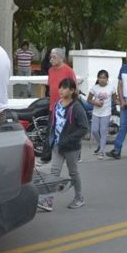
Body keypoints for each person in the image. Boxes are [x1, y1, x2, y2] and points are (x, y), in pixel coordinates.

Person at [37, 78, 89, 211]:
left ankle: (79, 197)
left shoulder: (76, 107)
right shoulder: (56, 105)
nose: (61, 90)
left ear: (72, 91)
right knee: (54, 173)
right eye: (60, 87)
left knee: (73, 173)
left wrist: (69, 139)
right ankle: (48, 200)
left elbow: (84, 128)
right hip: (57, 146)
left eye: (65, 88)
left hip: (71, 147)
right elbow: (52, 124)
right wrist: (49, 141)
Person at [87, 69, 116, 159]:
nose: (102, 79)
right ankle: (100, 144)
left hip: (106, 112)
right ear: (97, 78)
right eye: (100, 78)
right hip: (96, 112)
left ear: (107, 79)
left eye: (104, 78)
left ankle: (102, 151)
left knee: (103, 131)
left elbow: (115, 100)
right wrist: (95, 103)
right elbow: (89, 100)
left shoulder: (111, 88)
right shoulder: (94, 88)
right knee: (94, 131)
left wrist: (122, 104)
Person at [48, 48, 77, 114]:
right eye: (51, 57)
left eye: (54, 57)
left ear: (61, 58)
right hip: (53, 107)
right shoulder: (50, 70)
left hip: (65, 107)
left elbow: (75, 90)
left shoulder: (69, 70)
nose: (51, 59)